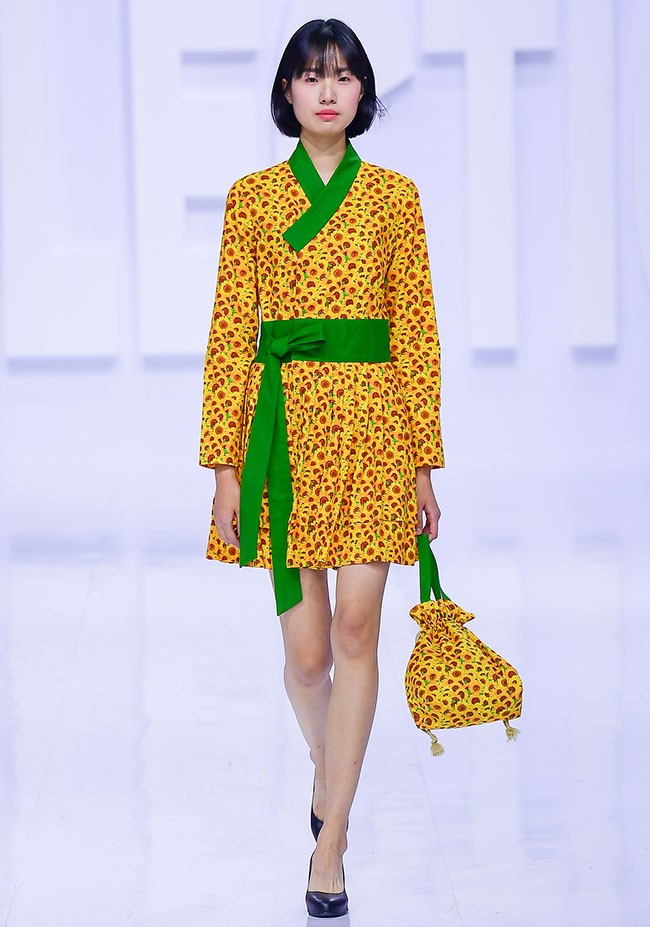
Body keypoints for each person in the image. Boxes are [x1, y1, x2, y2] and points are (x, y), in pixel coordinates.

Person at [199, 18, 444, 918]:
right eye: (311, 76)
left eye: (343, 75)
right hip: (286, 431)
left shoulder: (395, 198)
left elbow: (417, 331)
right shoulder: (253, 199)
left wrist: (424, 462)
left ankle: (331, 841)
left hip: (375, 426)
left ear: (363, 90)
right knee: (306, 659)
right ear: (288, 92)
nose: (328, 90)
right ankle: (325, 763)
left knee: (355, 633)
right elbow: (232, 332)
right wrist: (224, 467)